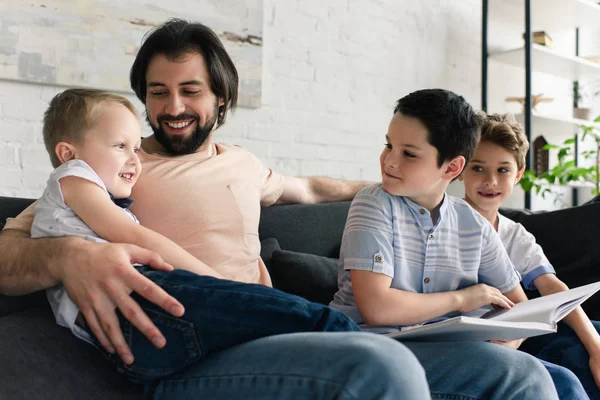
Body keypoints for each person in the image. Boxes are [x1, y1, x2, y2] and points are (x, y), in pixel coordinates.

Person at [0, 19, 559, 399]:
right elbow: (11, 250)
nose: (172, 107)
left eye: (190, 90)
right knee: (380, 365)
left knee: (520, 375)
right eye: (157, 91)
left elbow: (310, 190)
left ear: (221, 95)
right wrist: (68, 256)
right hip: (194, 355)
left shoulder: (243, 164)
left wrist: (402, 181)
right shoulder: (112, 172)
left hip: (280, 334)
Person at [32, 87, 363, 384]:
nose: (135, 160)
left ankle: (350, 339)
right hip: (135, 312)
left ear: (219, 98)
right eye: (120, 146)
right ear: (68, 154)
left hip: (141, 339)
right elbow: (139, 239)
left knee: (281, 319)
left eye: (136, 147)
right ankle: (349, 335)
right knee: (289, 314)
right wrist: (219, 282)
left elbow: (307, 188)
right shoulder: (73, 179)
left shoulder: (87, 196)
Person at [329, 88, 569, 398]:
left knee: (562, 380)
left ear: (452, 167)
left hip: (452, 351)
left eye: (409, 153)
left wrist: (508, 343)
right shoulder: (373, 204)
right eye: (389, 145)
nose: (389, 160)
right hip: (376, 348)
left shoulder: (473, 224)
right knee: (524, 375)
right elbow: (378, 308)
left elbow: (519, 306)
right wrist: (462, 299)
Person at [460, 112, 600, 399]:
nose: (490, 181)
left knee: (593, 334)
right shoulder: (443, 220)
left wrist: (596, 347)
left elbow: (553, 288)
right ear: (459, 168)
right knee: (569, 372)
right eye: (478, 168)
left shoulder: (515, 234)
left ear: (519, 173)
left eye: (502, 170)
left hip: (518, 335)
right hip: (480, 340)